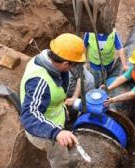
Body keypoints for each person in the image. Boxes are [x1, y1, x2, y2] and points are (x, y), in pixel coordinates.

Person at [20, 33, 92, 167]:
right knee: (61, 160)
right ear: (65, 63)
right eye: (73, 65)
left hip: (55, 115)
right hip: (45, 130)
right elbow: (29, 115)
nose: (73, 69)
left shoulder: (47, 59)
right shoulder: (39, 81)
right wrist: (56, 133)